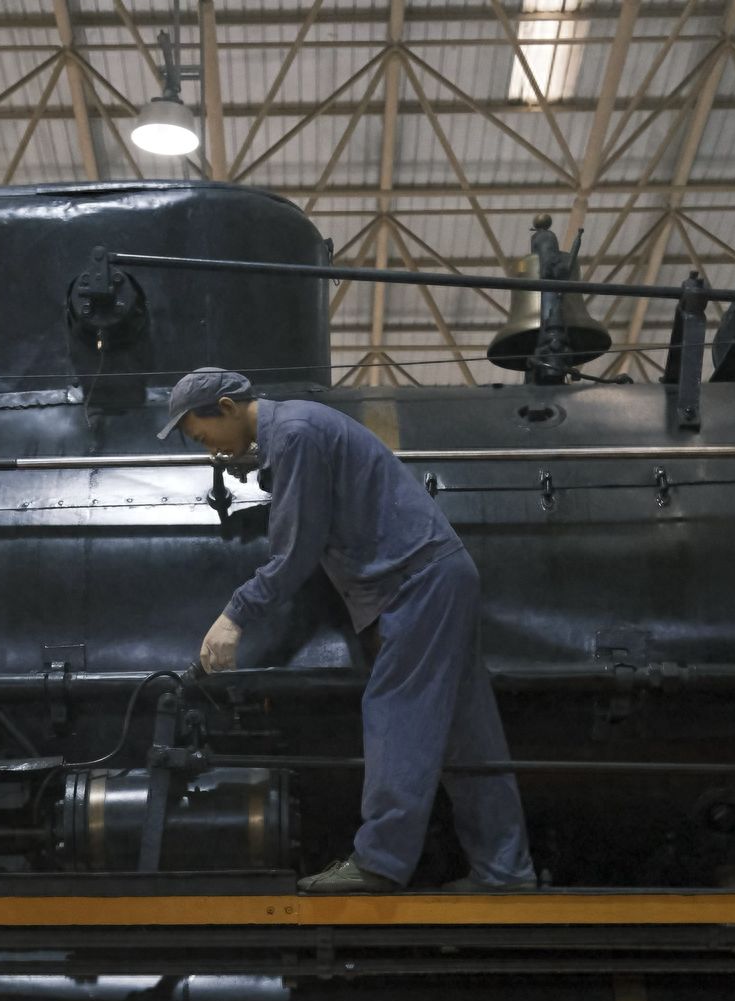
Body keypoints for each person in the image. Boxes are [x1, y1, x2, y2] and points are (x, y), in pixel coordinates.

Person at [159, 368, 535, 894]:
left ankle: (379, 862)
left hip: (416, 584)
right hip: (435, 577)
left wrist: (234, 616)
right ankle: (505, 873)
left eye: (204, 437)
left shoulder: (294, 436)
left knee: (395, 710)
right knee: (466, 737)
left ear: (225, 407)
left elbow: (296, 552)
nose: (210, 453)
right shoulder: (295, 430)